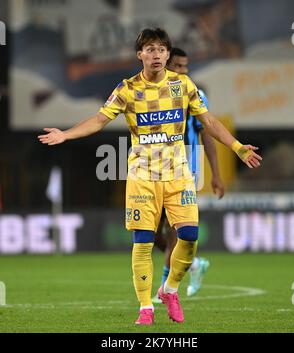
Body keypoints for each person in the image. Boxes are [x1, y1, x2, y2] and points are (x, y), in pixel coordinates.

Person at [38, 28, 262, 326]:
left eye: (161, 49)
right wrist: (65, 134)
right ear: (139, 54)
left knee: (190, 237)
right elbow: (99, 119)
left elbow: (207, 121)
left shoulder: (183, 85)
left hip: (179, 175)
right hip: (143, 176)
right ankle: (145, 307)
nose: (156, 54)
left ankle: (170, 291)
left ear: (168, 54)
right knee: (143, 242)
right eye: (149, 49)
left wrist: (236, 147)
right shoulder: (128, 89)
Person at [152, 47, 224, 304]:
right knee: (149, 234)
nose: (184, 71)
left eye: (186, 67)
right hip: (154, 172)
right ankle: (193, 263)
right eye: (179, 66)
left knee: (173, 233)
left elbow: (208, 134)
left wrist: (215, 173)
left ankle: (164, 288)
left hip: (184, 172)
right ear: (166, 65)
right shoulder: (153, 91)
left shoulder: (194, 93)